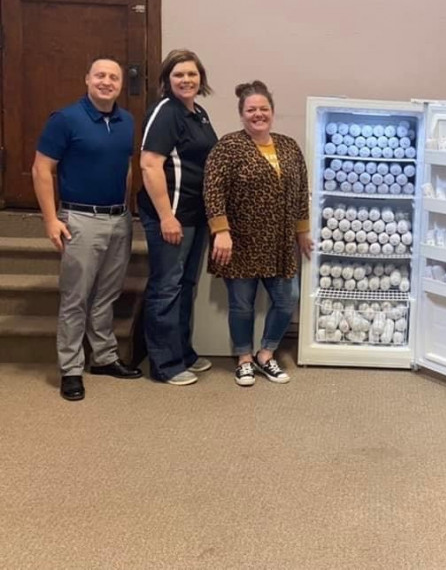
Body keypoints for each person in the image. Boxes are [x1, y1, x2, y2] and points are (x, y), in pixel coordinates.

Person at [31, 56, 141, 401]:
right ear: (87, 80)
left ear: (120, 84)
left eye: (113, 77)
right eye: (100, 76)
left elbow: (125, 166)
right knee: (76, 297)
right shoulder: (65, 119)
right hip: (79, 219)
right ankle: (71, 368)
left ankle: (104, 357)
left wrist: (126, 210)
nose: (106, 82)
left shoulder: (127, 121)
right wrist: (51, 219)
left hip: (118, 218)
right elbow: (41, 170)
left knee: (106, 295)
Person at [203, 81, 311, 387]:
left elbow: (301, 190)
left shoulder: (289, 146)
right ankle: (244, 359)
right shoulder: (228, 146)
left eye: (264, 109)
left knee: (287, 298)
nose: (258, 114)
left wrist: (302, 231)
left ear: (272, 113)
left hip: (279, 242)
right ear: (242, 114)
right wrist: (221, 231)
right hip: (241, 241)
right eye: (251, 110)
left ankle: (266, 353)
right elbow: (213, 190)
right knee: (241, 304)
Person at [138, 49, 218, 386]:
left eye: (192, 74)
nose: (186, 80)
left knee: (185, 285)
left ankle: (182, 351)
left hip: (195, 216)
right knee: (166, 287)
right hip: (171, 215)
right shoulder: (165, 111)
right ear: (167, 80)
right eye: (178, 75)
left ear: (201, 79)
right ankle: (165, 364)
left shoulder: (197, 112)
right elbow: (149, 164)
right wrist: (166, 217)